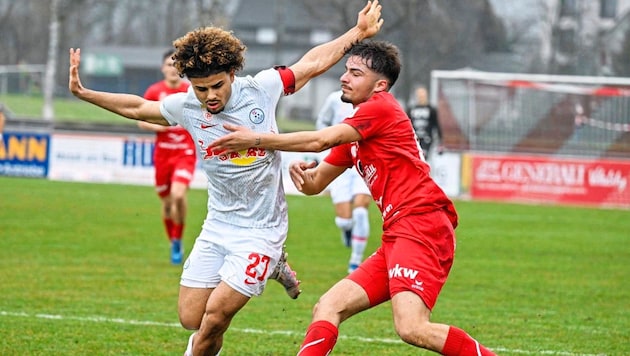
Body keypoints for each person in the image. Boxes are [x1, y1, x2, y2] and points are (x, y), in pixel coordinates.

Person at [68, 1, 384, 355]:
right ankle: (274, 267)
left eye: (217, 86)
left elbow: (310, 64)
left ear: (232, 74)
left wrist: (358, 33)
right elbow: (139, 107)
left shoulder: (262, 88)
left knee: (215, 317)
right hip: (218, 224)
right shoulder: (186, 105)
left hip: (262, 230)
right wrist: (85, 93)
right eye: (201, 89)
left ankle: (267, 261)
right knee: (192, 317)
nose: (211, 96)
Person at [210, 40, 496, 355]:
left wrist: (257, 139)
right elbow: (315, 184)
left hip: (422, 226)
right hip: (398, 234)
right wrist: (302, 177)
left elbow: (320, 140)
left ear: (380, 85)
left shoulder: (382, 107)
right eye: (346, 70)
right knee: (328, 306)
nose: (344, 77)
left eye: (356, 73)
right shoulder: (358, 131)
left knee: (412, 327)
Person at [137, 49, 195, 265]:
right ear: (163, 68)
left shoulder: (190, 91)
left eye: (176, 65)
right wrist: (158, 126)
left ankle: (178, 240)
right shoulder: (155, 91)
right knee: (168, 202)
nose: (172, 69)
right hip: (163, 154)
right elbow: (140, 119)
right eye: (168, 65)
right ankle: (173, 240)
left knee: (178, 195)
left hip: (184, 152)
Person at [316, 90, 371, 273]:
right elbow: (322, 122)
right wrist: (325, 151)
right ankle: (347, 229)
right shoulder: (334, 99)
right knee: (344, 220)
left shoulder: (371, 101)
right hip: (338, 160)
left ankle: (355, 262)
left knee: (361, 211)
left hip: (362, 161)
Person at [407, 86, 444, 159]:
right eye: (419, 95)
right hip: (414, 139)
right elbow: (407, 125)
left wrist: (440, 141)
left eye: (423, 95)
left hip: (427, 138)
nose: (421, 97)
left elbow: (436, 124)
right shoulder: (411, 109)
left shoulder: (431, 109)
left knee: (423, 158)